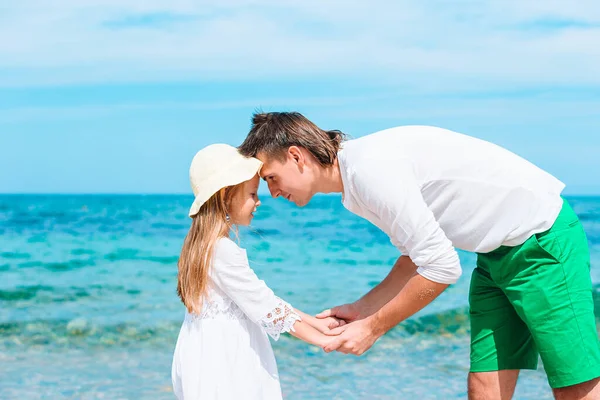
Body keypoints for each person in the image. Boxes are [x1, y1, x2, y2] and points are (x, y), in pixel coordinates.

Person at [238, 112, 600, 399]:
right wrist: (363, 308)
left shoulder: (368, 170)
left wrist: (374, 328)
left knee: (573, 383)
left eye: (270, 177)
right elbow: (414, 258)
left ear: (296, 156)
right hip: (493, 256)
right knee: (484, 385)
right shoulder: (355, 183)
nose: (271, 192)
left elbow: (442, 268)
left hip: (541, 241)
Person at [171, 143, 338, 400]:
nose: (259, 202)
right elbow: (266, 307)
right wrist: (324, 340)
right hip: (227, 361)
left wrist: (316, 322)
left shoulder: (199, 247)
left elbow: (264, 302)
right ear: (225, 196)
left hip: (203, 353)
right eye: (252, 194)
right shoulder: (222, 251)